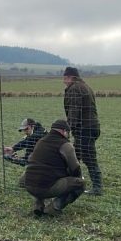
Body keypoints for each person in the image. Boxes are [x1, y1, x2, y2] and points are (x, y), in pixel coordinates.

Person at [22, 119, 86, 216]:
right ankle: (54, 208)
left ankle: (38, 205)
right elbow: (75, 168)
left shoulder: (41, 141)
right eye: (68, 133)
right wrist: (77, 178)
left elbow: (31, 159)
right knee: (80, 184)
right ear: (64, 131)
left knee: (41, 175)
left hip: (29, 184)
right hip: (45, 187)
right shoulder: (65, 145)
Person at [62, 66, 102, 195]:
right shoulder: (85, 86)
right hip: (91, 126)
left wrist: (67, 129)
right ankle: (73, 182)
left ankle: (97, 187)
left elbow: (74, 111)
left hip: (84, 129)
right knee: (75, 156)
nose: (64, 81)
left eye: (65, 78)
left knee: (89, 158)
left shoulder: (75, 89)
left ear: (70, 77)